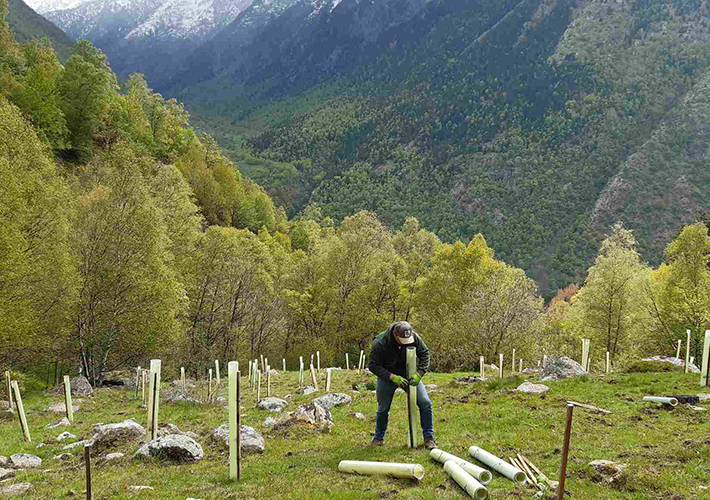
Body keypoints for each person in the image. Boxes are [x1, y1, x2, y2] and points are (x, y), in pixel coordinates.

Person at [367, 320, 436, 449]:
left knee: (425, 403)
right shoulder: (380, 342)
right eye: (401, 340)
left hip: (409, 374)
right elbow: (372, 365)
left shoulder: (413, 336)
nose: (405, 342)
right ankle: (378, 438)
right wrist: (391, 377)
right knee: (383, 408)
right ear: (394, 334)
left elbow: (425, 353)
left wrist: (419, 373)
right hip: (387, 376)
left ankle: (429, 438)